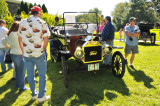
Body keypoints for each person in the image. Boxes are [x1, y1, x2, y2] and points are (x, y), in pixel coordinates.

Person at [18, 6, 50, 102]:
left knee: (30, 75)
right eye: (40, 13)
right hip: (39, 53)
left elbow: (19, 38)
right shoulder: (42, 22)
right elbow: (46, 38)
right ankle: (41, 96)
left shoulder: (22, 22)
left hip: (27, 54)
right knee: (42, 75)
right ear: (39, 13)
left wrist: (22, 51)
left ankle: (33, 95)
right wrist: (43, 49)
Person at [1, 22, 29, 92]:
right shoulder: (19, 34)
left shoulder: (9, 34)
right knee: (22, 72)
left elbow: (3, 41)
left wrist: (10, 47)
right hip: (20, 54)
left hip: (13, 54)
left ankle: (18, 85)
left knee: (17, 71)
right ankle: (22, 87)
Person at [12, 16, 22, 80]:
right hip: (19, 48)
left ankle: (15, 76)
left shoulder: (12, 28)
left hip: (14, 48)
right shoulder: (20, 27)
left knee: (16, 63)